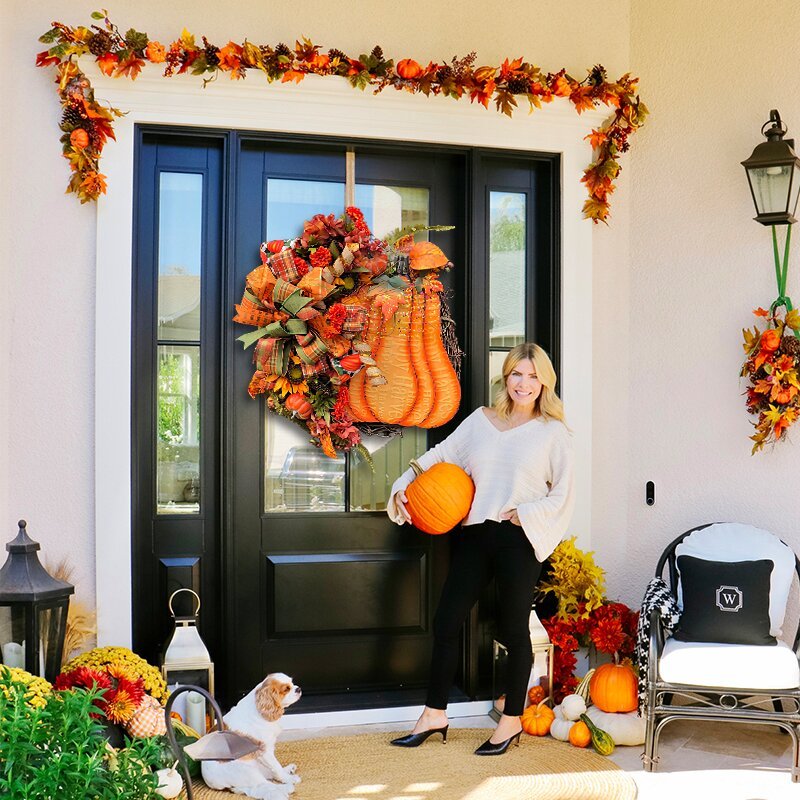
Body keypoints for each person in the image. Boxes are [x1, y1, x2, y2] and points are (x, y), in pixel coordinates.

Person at [386, 342, 575, 755]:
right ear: (506, 377)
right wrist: (404, 484)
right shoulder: (481, 421)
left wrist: (525, 513)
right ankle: (434, 714)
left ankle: (511, 722)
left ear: (544, 382)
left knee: (513, 630)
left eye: (533, 376)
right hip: (475, 533)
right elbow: (441, 455)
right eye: (517, 374)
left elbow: (563, 495)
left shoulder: (553, 432)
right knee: (446, 621)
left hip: (518, 538)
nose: (524, 384)